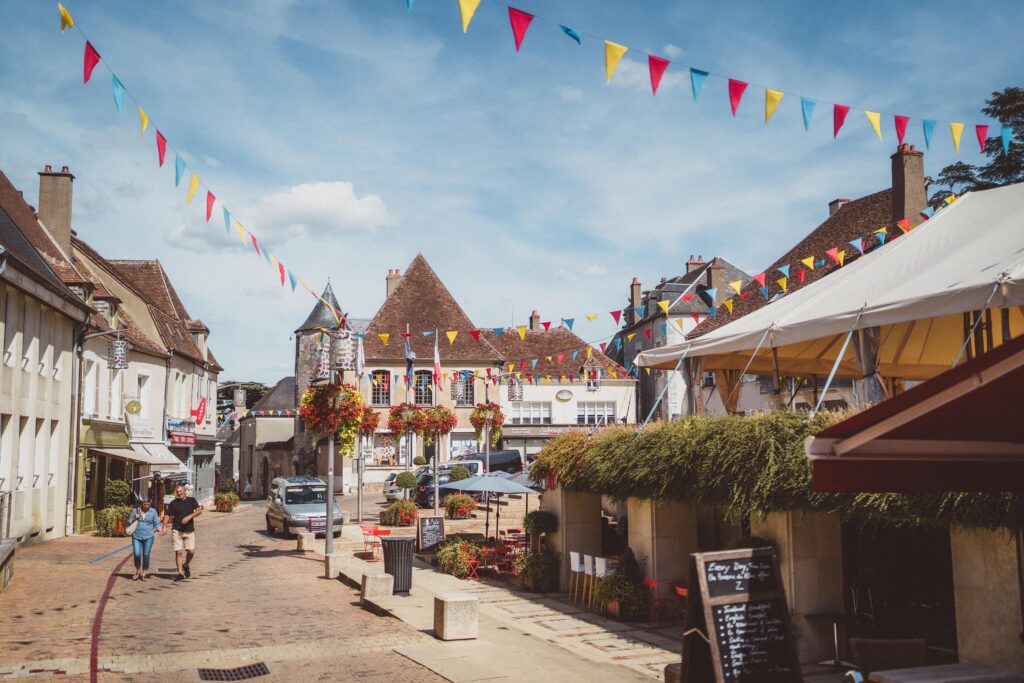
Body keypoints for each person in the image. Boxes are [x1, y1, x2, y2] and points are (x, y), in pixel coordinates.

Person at [163, 484, 202, 581]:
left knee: (191, 551)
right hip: (177, 530)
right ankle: (180, 573)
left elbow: (199, 510)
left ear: (184, 491)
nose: (179, 493)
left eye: (180, 491)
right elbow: (167, 515)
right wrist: (164, 526)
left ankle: (186, 564)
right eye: (177, 492)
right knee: (179, 551)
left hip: (189, 530)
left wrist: (189, 516)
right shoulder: (173, 503)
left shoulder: (191, 500)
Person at [126, 498, 162, 581]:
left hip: (149, 536)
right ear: (142, 504)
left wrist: (160, 529)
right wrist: (135, 518)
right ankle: (138, 570)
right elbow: (129, 521)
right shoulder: (135, 510)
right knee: (137, 554)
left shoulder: (153, 511)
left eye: (148, 505)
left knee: (146, 554)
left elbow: (156, 523)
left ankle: (144, 571)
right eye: (145, 505)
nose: (146, 506)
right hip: (136, 536)